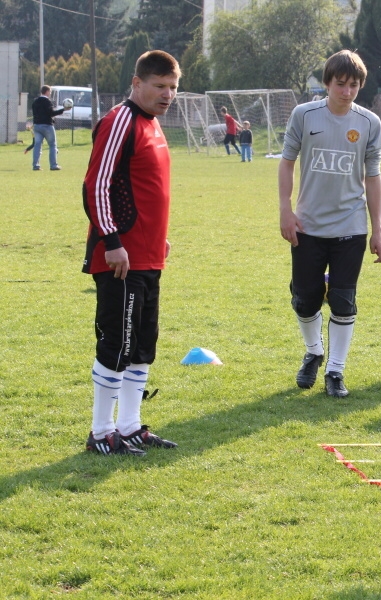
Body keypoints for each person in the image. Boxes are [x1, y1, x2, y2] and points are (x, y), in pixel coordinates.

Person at [82, 50, 182, 455]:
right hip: (121, 258)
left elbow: (145, 188)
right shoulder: (120, 120)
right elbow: (96, 185)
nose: (167, 94)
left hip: (149, 255)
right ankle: (101, 432)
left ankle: (129, 426)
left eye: (172, 87)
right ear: (137, 83)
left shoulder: (152, 123)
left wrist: (159, 238)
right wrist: (112, 241)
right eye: (159, 86)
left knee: (142, 346)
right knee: (117, 344)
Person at [279, 49, 381, 398]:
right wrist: (285, 210)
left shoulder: (370, 122)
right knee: (305, 299)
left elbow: (373, 178)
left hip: (350, 226)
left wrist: (378, 230)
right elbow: (286, 163)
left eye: (353, 85)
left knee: (343, 299)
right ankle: (314, 352)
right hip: (307, 225)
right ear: (327, 83)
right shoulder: (304, 115)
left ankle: (336, 371)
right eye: (340, 84)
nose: (347, 91)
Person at [31, 85, 64, 171]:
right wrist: (63, 110)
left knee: (37, 145)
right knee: (52, 145)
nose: (50, 93)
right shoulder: (47, 101)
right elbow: (51, 113)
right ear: (47, 92)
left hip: (37, 126)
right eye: (50, 92)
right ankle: (53, 165)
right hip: (47, 126)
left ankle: (36, 165)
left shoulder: (35, 101)